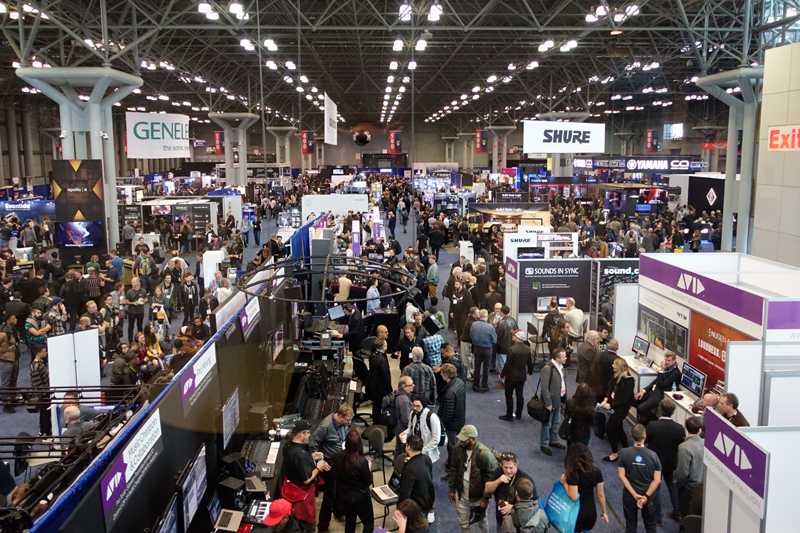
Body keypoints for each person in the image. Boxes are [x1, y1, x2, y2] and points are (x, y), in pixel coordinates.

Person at [447, 425, 500, 533]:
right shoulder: (458, 448)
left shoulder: (484, 454)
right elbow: (453, 469)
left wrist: (485, 498)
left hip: (478, 496)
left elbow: (491, 478)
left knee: (482, 520)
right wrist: (452, 489)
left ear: (472, 439)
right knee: (463, 522)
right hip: (461, 492)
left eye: (464, 440)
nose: (460, 441)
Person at [282, 420, 330, 531]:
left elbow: (297, 463)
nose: (309, 435)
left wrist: (312, 457)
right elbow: (307, 479)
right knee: (307, 520)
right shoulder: (300, 455)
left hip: (291, 486)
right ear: (301, 434)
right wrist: (319, 467)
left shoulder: (288, 445)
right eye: (308, 433)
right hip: (302, 493)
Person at [646, 398, 686, 523]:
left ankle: (657, 517)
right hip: (671, 463)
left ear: (660, 410)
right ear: (673, 412)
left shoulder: (652, 425)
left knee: (655, 489)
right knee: (672, 487)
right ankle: (677, 512)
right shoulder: (679, 428)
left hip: (655, 462)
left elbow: (647, 440)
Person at [618, 424, 662, 533]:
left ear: (632, 436)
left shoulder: (623, 453)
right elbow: (657, 480)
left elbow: (621, 475)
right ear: (645, 436)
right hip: (649, 497)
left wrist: (634, 494)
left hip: (629, 496)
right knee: (650, 525)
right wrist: (645, 497)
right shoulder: (653, 455)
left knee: (631, 524)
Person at [332, 430, 374, 533]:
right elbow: (368, 481)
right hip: (361, 497)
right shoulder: (361, 461)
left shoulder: (338, 456)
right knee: (368, 523)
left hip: (345, 495)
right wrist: (369, 468)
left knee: (350, 521)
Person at [561, 443, 608, 532]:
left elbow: (574, 497)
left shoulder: (573, 474)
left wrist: (564, 483)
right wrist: (604, 512)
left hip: (576, 514)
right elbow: (601, 495)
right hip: (591, 513)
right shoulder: (596, 471)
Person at [483, 452, 534, 531]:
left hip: (517, 522)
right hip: (501, 519)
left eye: (511, 468)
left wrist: (513, 508)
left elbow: (535, 503)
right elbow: (487, 489)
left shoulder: (525, 479)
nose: (508, 471)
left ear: (516, 465)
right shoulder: (498, 472)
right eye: (505, 467)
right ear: (501, 466)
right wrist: (498, 481)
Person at [599, 357, 636, 462]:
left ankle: (615, 453)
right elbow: (610, 387)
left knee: (610, 429)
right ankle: (626, 449)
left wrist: (611, 406)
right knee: (619, 428)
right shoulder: (615, 376)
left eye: (614, 364)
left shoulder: (629, 380)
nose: (612, 366)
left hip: (621, 409)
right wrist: (606, 399)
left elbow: (624, 399)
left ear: (619, 367)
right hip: (614, 406)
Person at [397, 434, 435, 525]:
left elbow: (405, 494)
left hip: (416, 507)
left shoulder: (409, 468)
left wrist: (400, 510)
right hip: (428, 500)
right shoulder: (427, 459)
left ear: (408, 447)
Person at [634, 351, 681, 424]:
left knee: (641, 408)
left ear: (674, 361)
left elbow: (663, 384)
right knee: (634, 400)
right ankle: (645, 420)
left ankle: (651, 422)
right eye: (665, 360)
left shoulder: (676, 373)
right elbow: (656, 381)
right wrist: (644, 390)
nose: (666, 362)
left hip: (661, 395)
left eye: (669, 360)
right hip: (654, 391)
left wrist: (661, 370)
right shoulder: (667, 368)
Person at [674, 416, 705, 518]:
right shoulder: (706, 444)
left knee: (685, 513)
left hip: (689, 488)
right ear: (700, 430)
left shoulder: (684, 447)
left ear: (686, 428)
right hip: (702, 486)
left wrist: (677, 483)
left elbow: (682, 473)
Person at [499, 330, 533, 422]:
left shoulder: (512, 349)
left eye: (514, 336)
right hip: (522, 376)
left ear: (517, 338)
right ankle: (518, 414)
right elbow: (529, 363)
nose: (512, 337)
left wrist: (502, 375)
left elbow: (508, 365)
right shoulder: (527, 349)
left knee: (509, 395)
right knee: (520, 395)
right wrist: (530, 371)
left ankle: (509, 415)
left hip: (511, 377)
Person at [539, 348, 568, 455]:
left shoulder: (562, 368)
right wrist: (548, 403)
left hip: (559, 400)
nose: (566, 358)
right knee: (547, 423)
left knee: (556, 422)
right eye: (564, 356)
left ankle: (553, 440)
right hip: (550, 402)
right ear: (557, 358)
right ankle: (544, 444)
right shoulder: (547, 368)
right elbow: (544, 388)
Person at [438, 362, 466, 469]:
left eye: (442, 373)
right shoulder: (460, 382)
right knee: (457, 445)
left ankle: (452, 467)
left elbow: (448, 413)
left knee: (452, 446)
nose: (440, 375)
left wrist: (441, 424)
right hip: (460, 419)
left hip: (452, 425)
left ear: (446, 375)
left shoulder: (450, 392)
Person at [401, 399, 442, 464]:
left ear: (423, 406)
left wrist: (422, 451)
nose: (415, 408)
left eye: (418, 406)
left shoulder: (432, 417)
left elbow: (436, 439)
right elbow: (410, 428)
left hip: (427, 452)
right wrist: (404, 433)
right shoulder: (413, 413)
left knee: (425, 471)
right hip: (414, 450)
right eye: (413, 405)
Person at [365, 326, 392, 423]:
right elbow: (386, 376)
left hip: (373, 386)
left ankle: (375, 420)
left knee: (376, 406)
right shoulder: (381, 360)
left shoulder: (374, 354)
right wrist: (389, 390)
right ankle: (377, 423)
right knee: (378, 407)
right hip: (380, 388)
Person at [469, 309, 496, 392]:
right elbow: (494, 340)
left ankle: (476, 385)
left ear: (479, 316)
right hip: (487, 350)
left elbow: (471, 336)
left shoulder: (474, 324)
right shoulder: (490, 327)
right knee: (486, 368)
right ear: (486, 317)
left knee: (477, 368)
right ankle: (484, 385)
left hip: (477, 349)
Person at [29, 346, 51, 435]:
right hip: (43, 394)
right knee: (44, 414)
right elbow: (37, 384)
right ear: (38, 353)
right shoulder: (36, 365)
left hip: (45, 392)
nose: (46, 353)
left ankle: (45, 430)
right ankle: (44, 431)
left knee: (45, 413)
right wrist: (44, 393)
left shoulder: (40, 363)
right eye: (44, 351)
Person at [0, 314, 19, 412]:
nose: (16, 320)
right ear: (8, 320)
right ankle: (6, 405)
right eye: (13, 318)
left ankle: (12, 400)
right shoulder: (3, 332)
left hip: (15, 359)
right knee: (6, 383)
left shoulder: (12, 329)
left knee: (13, 381)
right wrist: (7, 349)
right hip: (6, 360)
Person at [494, 306, 517, 381]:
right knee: (510, 364)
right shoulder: (513, 320)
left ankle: (504, 380)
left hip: (502, 347)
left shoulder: (501, 323)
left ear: (501, 312)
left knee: (502, 364)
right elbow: (516, 332)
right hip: (512, 346)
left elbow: (497, 335)